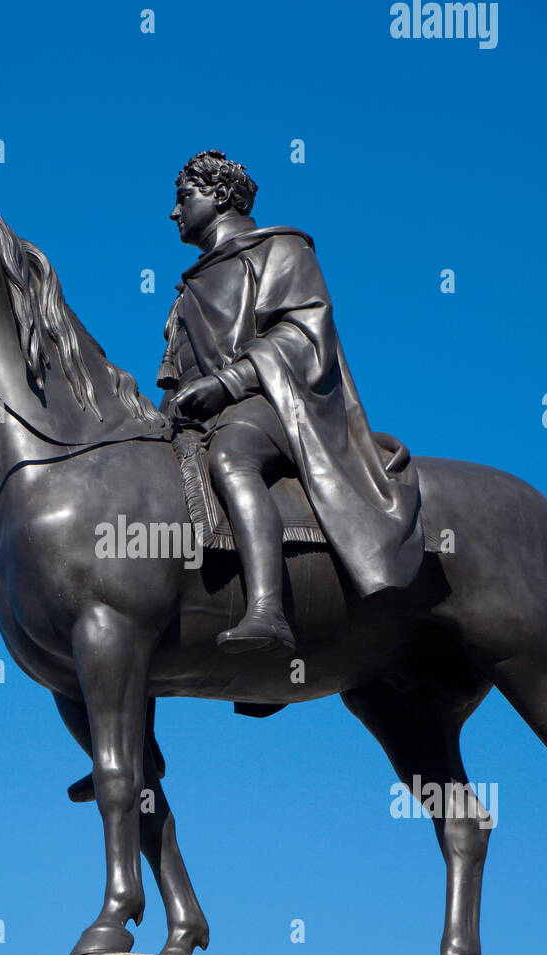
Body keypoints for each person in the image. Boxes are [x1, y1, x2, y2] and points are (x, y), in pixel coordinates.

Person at [158, 150, 423, 653]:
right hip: (207, 416)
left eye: (182, 197)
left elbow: (304, 334)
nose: (174, 212)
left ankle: (267, 610)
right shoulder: (186, 290)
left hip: (278, 405)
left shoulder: (281, 249)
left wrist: (229, 382)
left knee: (233, 455)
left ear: (217, 195)